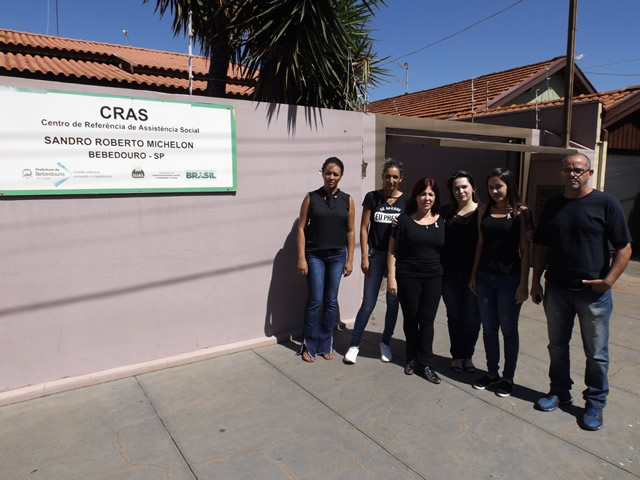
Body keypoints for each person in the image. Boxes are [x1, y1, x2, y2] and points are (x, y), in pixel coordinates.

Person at [531, 153, 632, 431]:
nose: (572, 174)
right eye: (567, 170)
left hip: (593, 294)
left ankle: (595, 402)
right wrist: (535, 281)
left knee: (596, 353)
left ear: (589, 173)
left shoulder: (606, 203)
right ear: (561, 174)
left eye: (578, 169)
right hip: (557, 289)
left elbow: (624, 247)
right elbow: (541, 246)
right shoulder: (553, 205)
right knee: (557, 346)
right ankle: (560, 391)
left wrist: (608, 281)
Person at [469, 168, 531, 398]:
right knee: (489, 329)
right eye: (491, 187)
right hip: (485, 278)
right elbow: (480, 244)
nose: (495, 191)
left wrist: (524, 283)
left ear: (509, 186)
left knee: (508, 330)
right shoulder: (483, 211)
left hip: (509, 280)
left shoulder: (521, 212)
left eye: (499, 186)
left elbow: (525, 250)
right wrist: (474, 275)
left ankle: (507, 378)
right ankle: (492, 373)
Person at [344, 159, 406, 364]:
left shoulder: (406, 201)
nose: (391, 180)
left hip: (396, 258)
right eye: (387, 176)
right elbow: (364, 228)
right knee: (368, 303)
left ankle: (385, 343)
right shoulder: (372, 197)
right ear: (382, 177)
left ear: (401, 179)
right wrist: (364, 256)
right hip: (376, 255)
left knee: (392, 302)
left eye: (395, 177)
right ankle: (354, 345)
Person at [297, 157, 355, 362]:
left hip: (337, 256)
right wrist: (301, 257)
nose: (331, 177)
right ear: (322, 173)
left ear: (341, 176)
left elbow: (350, 231)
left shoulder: (347, 200)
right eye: (328, 173)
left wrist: (350, 259)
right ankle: (309, 345)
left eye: (335, 174)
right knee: (315, 300)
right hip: (314, 256)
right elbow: (301, 228)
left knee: (330, 301)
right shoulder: (311, 197)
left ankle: (325, 344)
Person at [387, 178, 444, 384]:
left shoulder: (442, 219)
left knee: (427, 321)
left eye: (430, 194)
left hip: (434, 277)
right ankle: (411, 358)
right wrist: (391, 278)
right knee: (411, 319)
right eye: (422, 194)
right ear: (416, 196)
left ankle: (426, 363)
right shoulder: (403, 221)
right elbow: (392, 250)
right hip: (408, 276)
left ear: (435, 197)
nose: (426, 198)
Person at [441, 171, 481, 374]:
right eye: (456, 188)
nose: (460, 191)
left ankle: (468, 355)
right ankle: (457, 355)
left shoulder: (483, 212)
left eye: (464, 186)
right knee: (454, 316)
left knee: (473, 318)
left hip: (474, 274)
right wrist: (399, 221)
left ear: (472, 187)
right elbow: (422, 217)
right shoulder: (446, 212)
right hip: (449, 274)